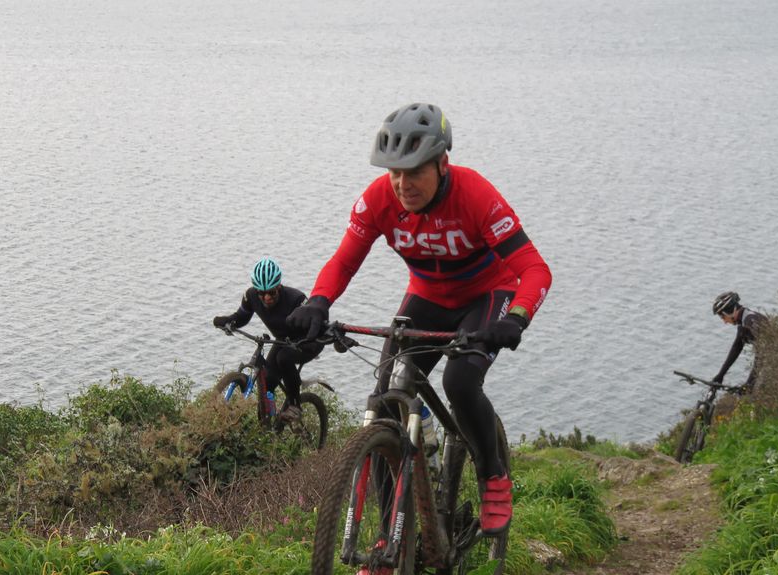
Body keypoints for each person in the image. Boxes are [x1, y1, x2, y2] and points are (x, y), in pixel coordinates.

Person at [287, 103, 552, 537]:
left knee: (460, 383)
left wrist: (517, 318)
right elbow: (344, 262)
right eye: (394, 172)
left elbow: (535, 269)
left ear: (442, 163)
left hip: (488, 297)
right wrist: (318, 302)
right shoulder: (378, 199)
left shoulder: (476, 195)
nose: (402, 184)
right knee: (386, 397)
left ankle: (492, 474)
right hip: (428, 297)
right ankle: (389, 537)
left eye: (413, 172)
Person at [213, 257, 324, 422]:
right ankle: (268, 425)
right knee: (267, 384)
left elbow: (317, 324)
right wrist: (227, 321)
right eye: (262, 293)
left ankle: (295, 406)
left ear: (279, 286)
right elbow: (241, 317)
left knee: (284, 358)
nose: (266, 297)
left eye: (271, 292)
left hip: (309, 341)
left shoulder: (296, 299)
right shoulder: (251, 296)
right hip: (282, 340)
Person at [711, 291, 768, 393]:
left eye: (723, 317)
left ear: (730, 312)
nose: (725, 322)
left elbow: (763, 354)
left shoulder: (751, 322)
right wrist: (721, 375)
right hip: (772, 361)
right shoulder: (745, 320)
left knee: (755, 394)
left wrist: (750, 383)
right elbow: (736, 348)